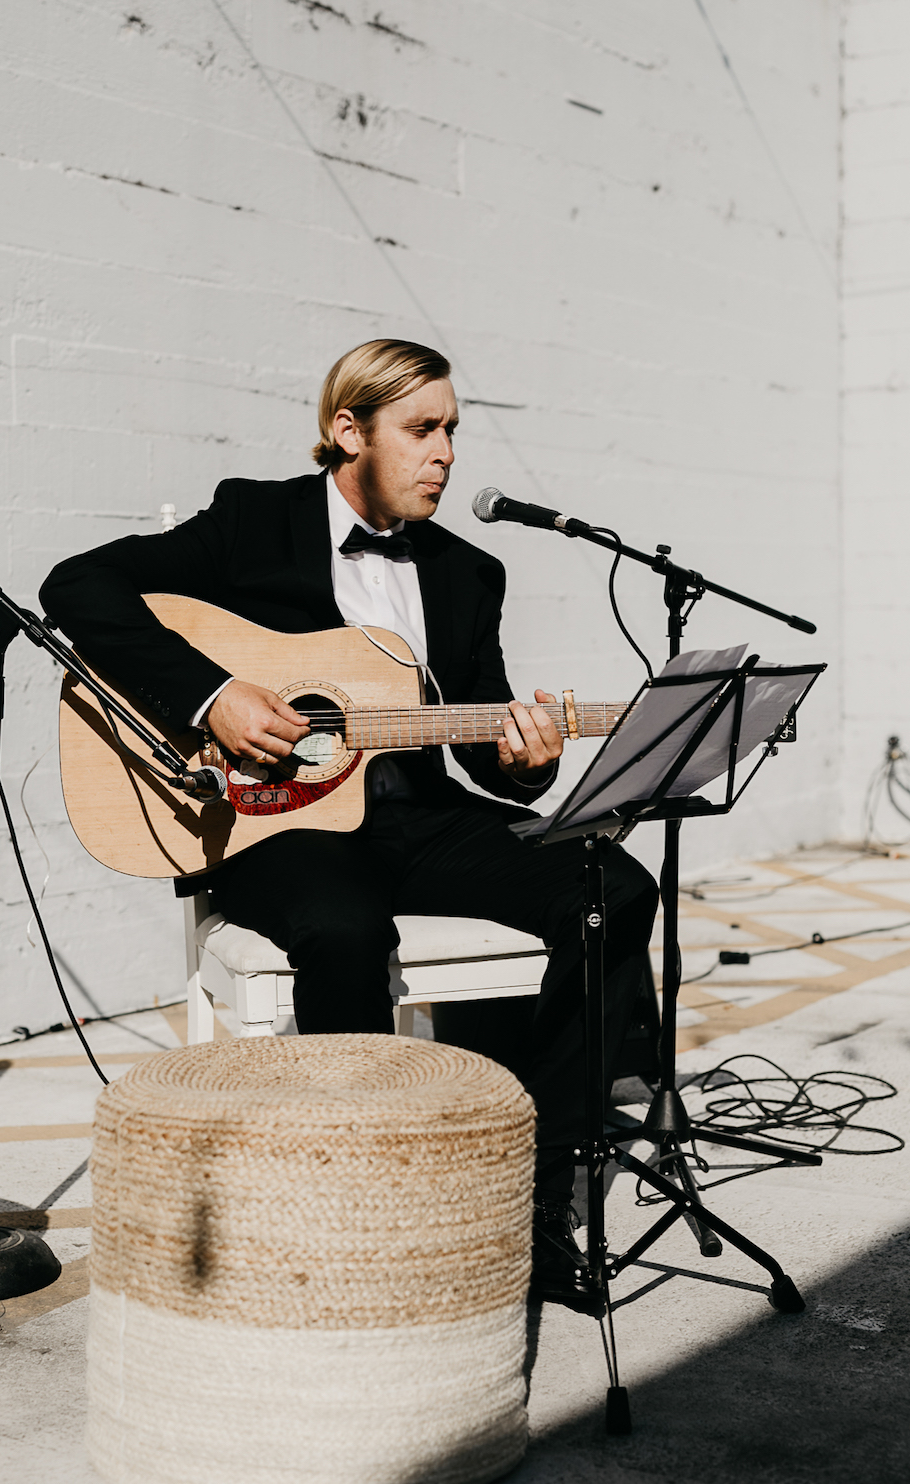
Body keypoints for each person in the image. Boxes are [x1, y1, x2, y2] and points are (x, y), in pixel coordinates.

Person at [41, 339, 660, 1306]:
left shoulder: (468, 571)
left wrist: (522, 754)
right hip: (278, 823)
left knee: (614, 886)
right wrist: (215, 698)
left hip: (424, 818)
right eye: (422, 429)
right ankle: (358, 1193)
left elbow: (481, 736)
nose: (445, 452)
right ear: (346, 432)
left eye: (452, 430)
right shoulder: (253, 520)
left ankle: (533, 1188)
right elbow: (76, 587)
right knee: (341, 929)